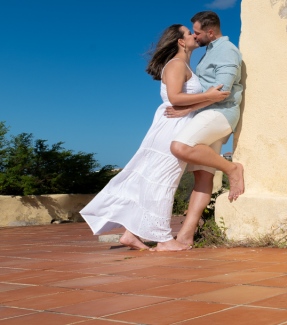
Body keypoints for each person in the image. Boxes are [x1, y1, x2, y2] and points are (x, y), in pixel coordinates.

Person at [80, 25, 230, 251]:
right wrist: (209, 96)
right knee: (164, 181)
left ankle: (131, 235)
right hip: (172, 127)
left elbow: (181, 102)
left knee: (154, 179)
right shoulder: (177, 64)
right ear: (180, 41)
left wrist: (209, 100)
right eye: (189, 33)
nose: (193, 36)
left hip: (173, 124)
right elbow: (175, 98)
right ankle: (164, 239)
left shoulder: (183, 64)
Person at [166, 11, 245, 249]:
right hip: (207, 114)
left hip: (221, 113)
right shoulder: (210, 51)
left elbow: (222, 92)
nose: (195, 36)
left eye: (198, 32)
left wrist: (184, 109)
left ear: (210, 32)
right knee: (202, 176)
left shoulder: (227, 50)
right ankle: (186, 236)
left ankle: (232, 168)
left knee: (179, 146)